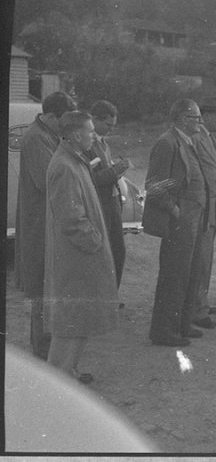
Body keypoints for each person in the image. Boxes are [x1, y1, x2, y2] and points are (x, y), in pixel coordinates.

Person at [43, 111, 119, 383]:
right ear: (76, 135)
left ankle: (68, 372)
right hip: (75, 258)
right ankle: (58, 381)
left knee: (79, 318)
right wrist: (95, 241)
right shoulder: (65, 165)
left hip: (80, 258)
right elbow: (71, 218)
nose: (93, 136)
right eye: (89, 132)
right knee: (70, 321)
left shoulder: (75, 161)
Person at [142, 99, 212, 346]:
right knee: (174, 276)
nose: (201, 122)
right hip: (180, 222)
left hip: (194, 221)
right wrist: (174, 210)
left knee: (190, 275)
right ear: (184, 119)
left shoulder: (187, 141)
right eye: (197, 118)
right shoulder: (167, 143)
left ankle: (182, 325)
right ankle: (164, 331)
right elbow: (154, 185)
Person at [15, 90, 77, 360]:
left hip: (49, 221)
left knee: (51, 285)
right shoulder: (37, 138)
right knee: (42, 286)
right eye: (64, 119)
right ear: (51, 116)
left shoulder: (48, 134)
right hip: (40, 224)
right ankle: (42, 355)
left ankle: (51, 354)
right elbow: (46, 180)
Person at [189, 97, 216, 329]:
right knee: (199, 261)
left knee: (206, 260)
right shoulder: (195, 138)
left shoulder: (210, 138)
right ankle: (196, 309)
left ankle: (200, 301)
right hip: (201, 211)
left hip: (212, 211)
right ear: (207, 116)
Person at [84, 100, 130, 288]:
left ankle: (111, 294)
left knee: (118, 251)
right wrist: (114, 171)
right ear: (95, 119)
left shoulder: (103, 143)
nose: (110, 129)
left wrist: (117, 170)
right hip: (100, 205)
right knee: (104, 253)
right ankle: (104, 296)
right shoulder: (87, 144)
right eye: (107, 125)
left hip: (112, 204)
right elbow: (89, 179)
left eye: (113, 125)